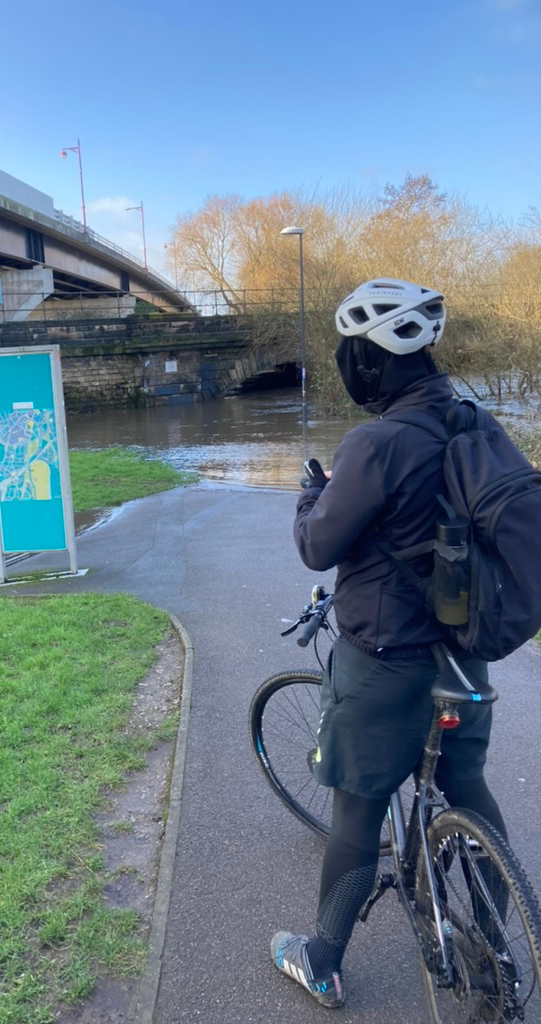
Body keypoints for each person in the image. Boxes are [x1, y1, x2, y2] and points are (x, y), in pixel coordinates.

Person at [270, 278, 507, 1008]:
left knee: (357, 811)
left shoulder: (373, 442)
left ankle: (322, 960)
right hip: (464, 652)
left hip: (381, 662)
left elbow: (317, 545)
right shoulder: (475, 423)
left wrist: (314, 491)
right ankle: (498, 935)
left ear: (370, 363)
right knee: (466, 786)